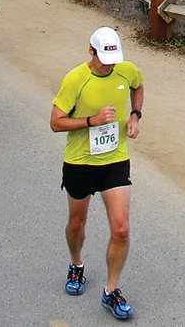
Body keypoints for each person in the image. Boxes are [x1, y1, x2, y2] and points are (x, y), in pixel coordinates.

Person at [50, 26, 144, 321]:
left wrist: (135, 114)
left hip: (115, 159)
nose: (108, 64)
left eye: (112, 59)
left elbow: (138, 86)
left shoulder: (125, 70)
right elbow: (56, 122)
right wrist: (91, 121)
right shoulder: (76, 79)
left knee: (121, 229)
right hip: (80, 162)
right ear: (90, 52)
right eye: (103, 58)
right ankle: (76, 264)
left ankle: (111, 290)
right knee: (77, 222)